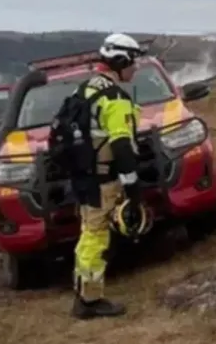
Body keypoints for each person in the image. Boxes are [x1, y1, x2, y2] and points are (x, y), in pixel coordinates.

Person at [69, 33, 149, 320]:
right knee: (95, 236)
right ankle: (89, 301)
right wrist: (132, 185)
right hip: (103, 179)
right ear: (120, 61)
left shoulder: (88, 88)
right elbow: (121, 145)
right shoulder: (114, 97)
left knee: (89, 233)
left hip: (84, 176)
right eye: (133, 62)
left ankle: (85, 292)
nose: (135, 68)